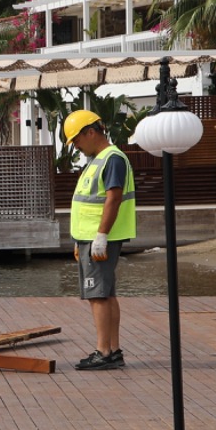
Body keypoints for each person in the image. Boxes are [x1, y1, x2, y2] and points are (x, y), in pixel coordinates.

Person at [63, 108, 135, 370]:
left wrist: (101, 236)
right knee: (106, 293)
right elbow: (88, 203)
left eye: (77, 140)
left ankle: (104, 351)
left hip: (100, 238)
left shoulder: (111, 159)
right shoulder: (99, 159)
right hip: (90, 238)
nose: (77, 146)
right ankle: (112, 350)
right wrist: (80, 240)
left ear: (90, 132)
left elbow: (113, 198)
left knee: (98, 295)